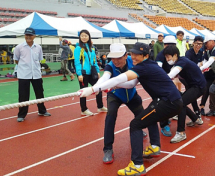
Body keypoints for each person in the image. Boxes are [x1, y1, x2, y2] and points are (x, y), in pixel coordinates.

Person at [78, 42, 183, 176]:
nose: (133, 56)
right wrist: (102, 87)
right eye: (132, 53)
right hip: (166, 101)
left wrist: (93, 89)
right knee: (142, 116)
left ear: (145, 55)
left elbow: (120, 80)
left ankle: (137, 165)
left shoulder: (141, 66)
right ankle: (153, 147)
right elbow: (129, 83)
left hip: (167, 102)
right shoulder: (146, 64)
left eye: (136, 54)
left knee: (135, 124)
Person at [97, 43, 145, 164]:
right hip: (115, 95)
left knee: (143, 115)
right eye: (113, 58)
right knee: (110, 117)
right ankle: (108, 148)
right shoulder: (109, 66)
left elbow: (132, 83)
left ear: (125, 56)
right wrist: (95, 88)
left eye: (118, 57)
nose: (115, 61)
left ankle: (142, 130)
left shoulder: (132, 62)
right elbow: (104, 78)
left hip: (132, 94)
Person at [164, 45, 206, 143]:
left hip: (199, 86)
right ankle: (196, 119)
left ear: (175, 55)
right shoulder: (176, 63)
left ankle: (181, 132)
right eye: (165, 57)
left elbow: (172, 74)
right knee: (180, 102)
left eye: (168, 57)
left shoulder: (182, 61)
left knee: (181, 103)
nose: (167, 59)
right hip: (192, 86)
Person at [13, 27, 51, 122]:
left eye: (30, 35)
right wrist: (25, 67)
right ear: (24, 35)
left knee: (40, 93)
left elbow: (39, 59)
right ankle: (22, 114)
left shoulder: (38, 47)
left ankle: (42, 110)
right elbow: (16, 60)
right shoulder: (19, 47)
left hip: (36, 74)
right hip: (24, 75)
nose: (28, 37)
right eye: (26, 35)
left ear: (34, 36)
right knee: (23, 96)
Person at [74, 29, 108, 116]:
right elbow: (77, 62)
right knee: (83, 92)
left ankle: (100, 107)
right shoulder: (78, 48)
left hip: (92, 73)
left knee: (98, 89)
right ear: (80, 37)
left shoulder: (91, 48)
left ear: (89, 37)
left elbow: (94, 62)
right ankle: (84, 109)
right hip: (83, 73)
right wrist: (79, 74)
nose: (84, 37)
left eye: (86, 35)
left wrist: (97, 71)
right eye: (82, 36)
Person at [155, 35, 178, 137]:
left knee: (171, 100)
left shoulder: (174, 55)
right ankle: (163, 125)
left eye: (172, 45)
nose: (170, 47)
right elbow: (158, 68)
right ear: (164, 45)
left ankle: (166, 118)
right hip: (160, 81)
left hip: (168, 80)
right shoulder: (161, 55)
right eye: (168, 45)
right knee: (163, 102)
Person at [184, 36, 204, 116]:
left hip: (193, 76)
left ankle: (196, 111)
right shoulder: (189, 53)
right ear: (193, 43)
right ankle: (195, 111)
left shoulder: (200, 52)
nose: (198, 45)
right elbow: (187, 66)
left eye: (200, 44)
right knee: (190, 94)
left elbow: (200, 63)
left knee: (191, 94)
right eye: (197, 44)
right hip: (186, 76)